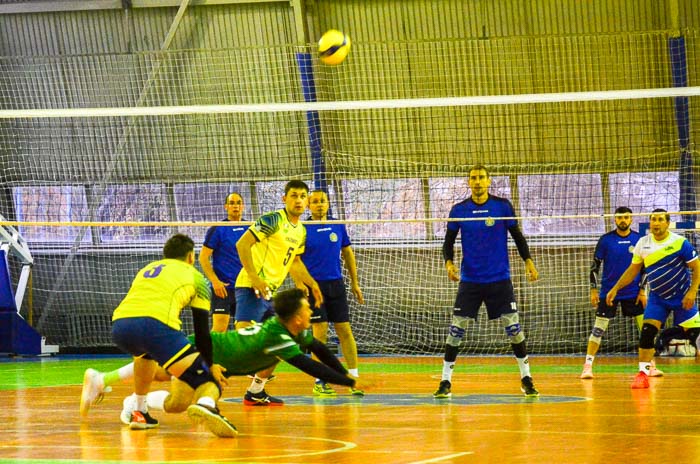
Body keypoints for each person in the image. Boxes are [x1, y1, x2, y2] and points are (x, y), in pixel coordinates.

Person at [83, 288, 370, 424]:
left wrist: (346, 376)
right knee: (162, 379)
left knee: (173, 399)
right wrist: (351, 383)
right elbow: (310, 366)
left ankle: (128, 398)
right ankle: (113, 387)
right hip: (205, 351)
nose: (311, 312)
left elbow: (319, 349)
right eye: (307, 308)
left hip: (212, 351)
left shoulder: (290, 331)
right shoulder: (279, 336)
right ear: (296, 317)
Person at [80, 233, 237, 437]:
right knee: (206, 377)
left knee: (146, 357)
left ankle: (139, 410)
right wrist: (211, 364)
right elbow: (201, 333)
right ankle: (208, 405)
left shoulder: (148, 269)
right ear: (191, 256)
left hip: (120, 326)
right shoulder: (198, 278)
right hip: (155, 326)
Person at [433, 164, 540, 399]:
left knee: (514, 330)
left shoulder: (502, 206)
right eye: (473, 178)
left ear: (489, 181)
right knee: (456, 330)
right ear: (468, 182)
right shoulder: (458, 210)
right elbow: (448, 242)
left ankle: (526, 379)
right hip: (470, 281)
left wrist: (528, 261)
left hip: (499, 280)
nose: (478, 181)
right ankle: (445, 382)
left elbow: (518, 237)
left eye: (481, 177)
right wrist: (449, 263)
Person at [234, 180, 323, 405]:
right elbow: (242, 245)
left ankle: (255, 391)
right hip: (251, 287)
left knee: (283, 341)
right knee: (241, 345)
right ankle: (195, 375)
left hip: (269, 293)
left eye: (303, 196)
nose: (299, 200)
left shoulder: (301, 230)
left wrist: (312, 284)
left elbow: (294, 262)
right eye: (294, 195)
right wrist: (254, 277)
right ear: (284, 199)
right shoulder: (273, 219)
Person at [606, 209, 700, 389]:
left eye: (660, 220)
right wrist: (615, 288)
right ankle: (642, 374)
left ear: (667, 223)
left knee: (695, 334)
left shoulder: (680, 243)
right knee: (647, 332)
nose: (656, 223)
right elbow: (632, 270)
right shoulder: (643, 243)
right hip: (658, 298)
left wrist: (692, 292)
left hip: (682, 297)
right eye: (653, 220)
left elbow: (697, 268)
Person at [581, 207, 663, 379]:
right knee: (598, 329)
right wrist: (593, 289)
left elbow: (645, 268)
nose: (623, 220)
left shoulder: (639, 239)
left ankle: (651, 366)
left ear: (631, 219)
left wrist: (642, 290)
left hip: (633, 293)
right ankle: (587, 367)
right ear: (615, 220)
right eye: (619, 218)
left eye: (626, 217)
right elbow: (594, 267)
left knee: (646, 330)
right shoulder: (605, 240)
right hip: (608, 292)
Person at [302, 190, 365, 397]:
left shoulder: (337, 225)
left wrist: (355, 283)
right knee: (319, 334)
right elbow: (295, 260)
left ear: (328, 204)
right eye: (315, 202)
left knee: (344, 330)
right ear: (308, 205)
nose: (319, 205)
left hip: (336, 284)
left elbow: (347, 252)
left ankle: (353, 378)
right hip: (314, 287)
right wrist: (300, 283)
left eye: (323, 201)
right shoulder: (302, 229)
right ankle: (320, 381)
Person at [199, 192, 247, 332]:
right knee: (220, 328)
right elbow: (203, 257)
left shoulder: (250, 227)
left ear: (243, 206)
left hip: (244, 288)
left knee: (244, 330)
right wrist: (215, 281)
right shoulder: (218, 228)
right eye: (232, 203)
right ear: (226, 206)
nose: (235, 206)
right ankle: (209, 354)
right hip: (223, 288)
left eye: (238, 203)